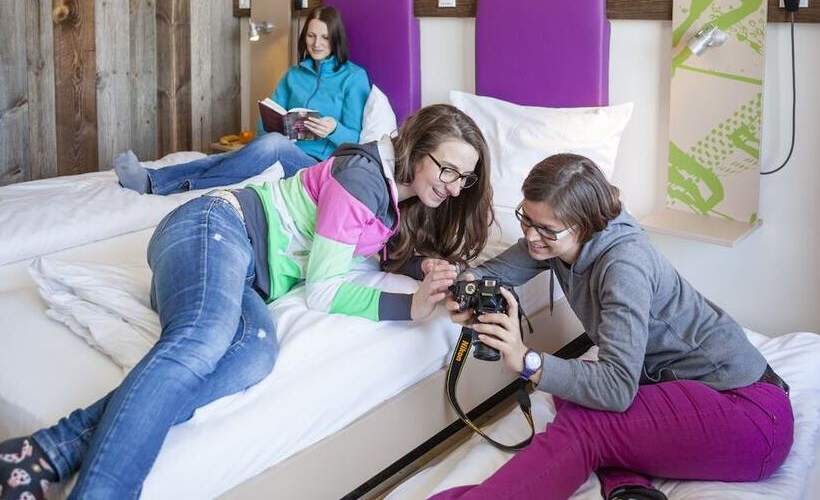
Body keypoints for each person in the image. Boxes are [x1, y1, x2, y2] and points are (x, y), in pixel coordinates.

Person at [0, 104, 494, 499]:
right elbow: (322, 291)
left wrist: (423, 267)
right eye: (446, 169)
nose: (452, 187)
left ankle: (44, 450)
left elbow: (374, 248)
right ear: (415, 147)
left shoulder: (396, 194)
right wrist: (406, 308)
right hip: (214, 227)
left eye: (464, 178)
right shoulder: (363, 179)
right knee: (201, 340)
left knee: (254, 353)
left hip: (232, 270)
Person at [434, 153, 793, 500]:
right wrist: (464, 288)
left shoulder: (624, 267)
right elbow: (490, 273)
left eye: (546, 229)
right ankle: (629, 486)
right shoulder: (557, 240)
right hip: (682, 389)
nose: (531, 236)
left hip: (750, 416)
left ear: (584, 224)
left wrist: (526, 359)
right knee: (571, 386)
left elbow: (618, 389)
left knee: (584, 424)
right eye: (526, 219)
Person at [114, 5, 370, 195]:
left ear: (335, 38)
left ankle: (170, 185)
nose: (316, 43)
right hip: (279, 145)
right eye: (311, 36)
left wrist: (333, 128)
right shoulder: (294, 74)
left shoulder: (354, 77)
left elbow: (357, 140)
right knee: (222, 158)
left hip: (315, 165)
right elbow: (265, 121)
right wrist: (275, 125)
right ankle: (150, 179)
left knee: (269, 145)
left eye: (324, 37)